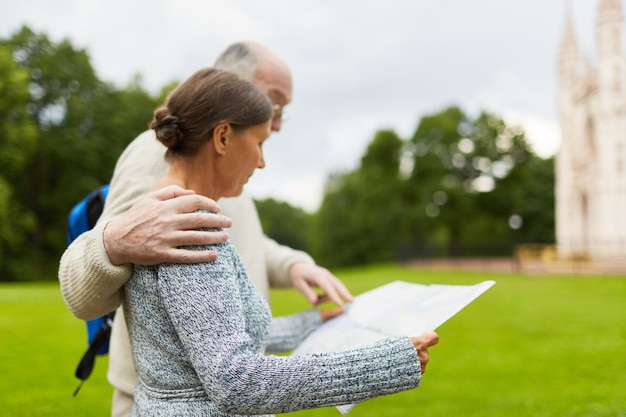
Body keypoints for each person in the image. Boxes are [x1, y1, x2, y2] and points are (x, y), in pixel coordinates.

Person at [58, 42, 354, 417]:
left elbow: (243, 240)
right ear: (230, 90)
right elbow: (85, 284)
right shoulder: (156, 158)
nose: (277, 122)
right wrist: (113, 243)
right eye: (275, 104)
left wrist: (295, 265)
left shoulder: (224, 164)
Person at [124, 66, 439, 416]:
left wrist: (315, 321)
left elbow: (218, 331)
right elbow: (237, 381)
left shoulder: (161, 215)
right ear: (223, 137)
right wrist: (388, 363)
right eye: (259, 143)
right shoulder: (186, 228)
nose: (261, 161)